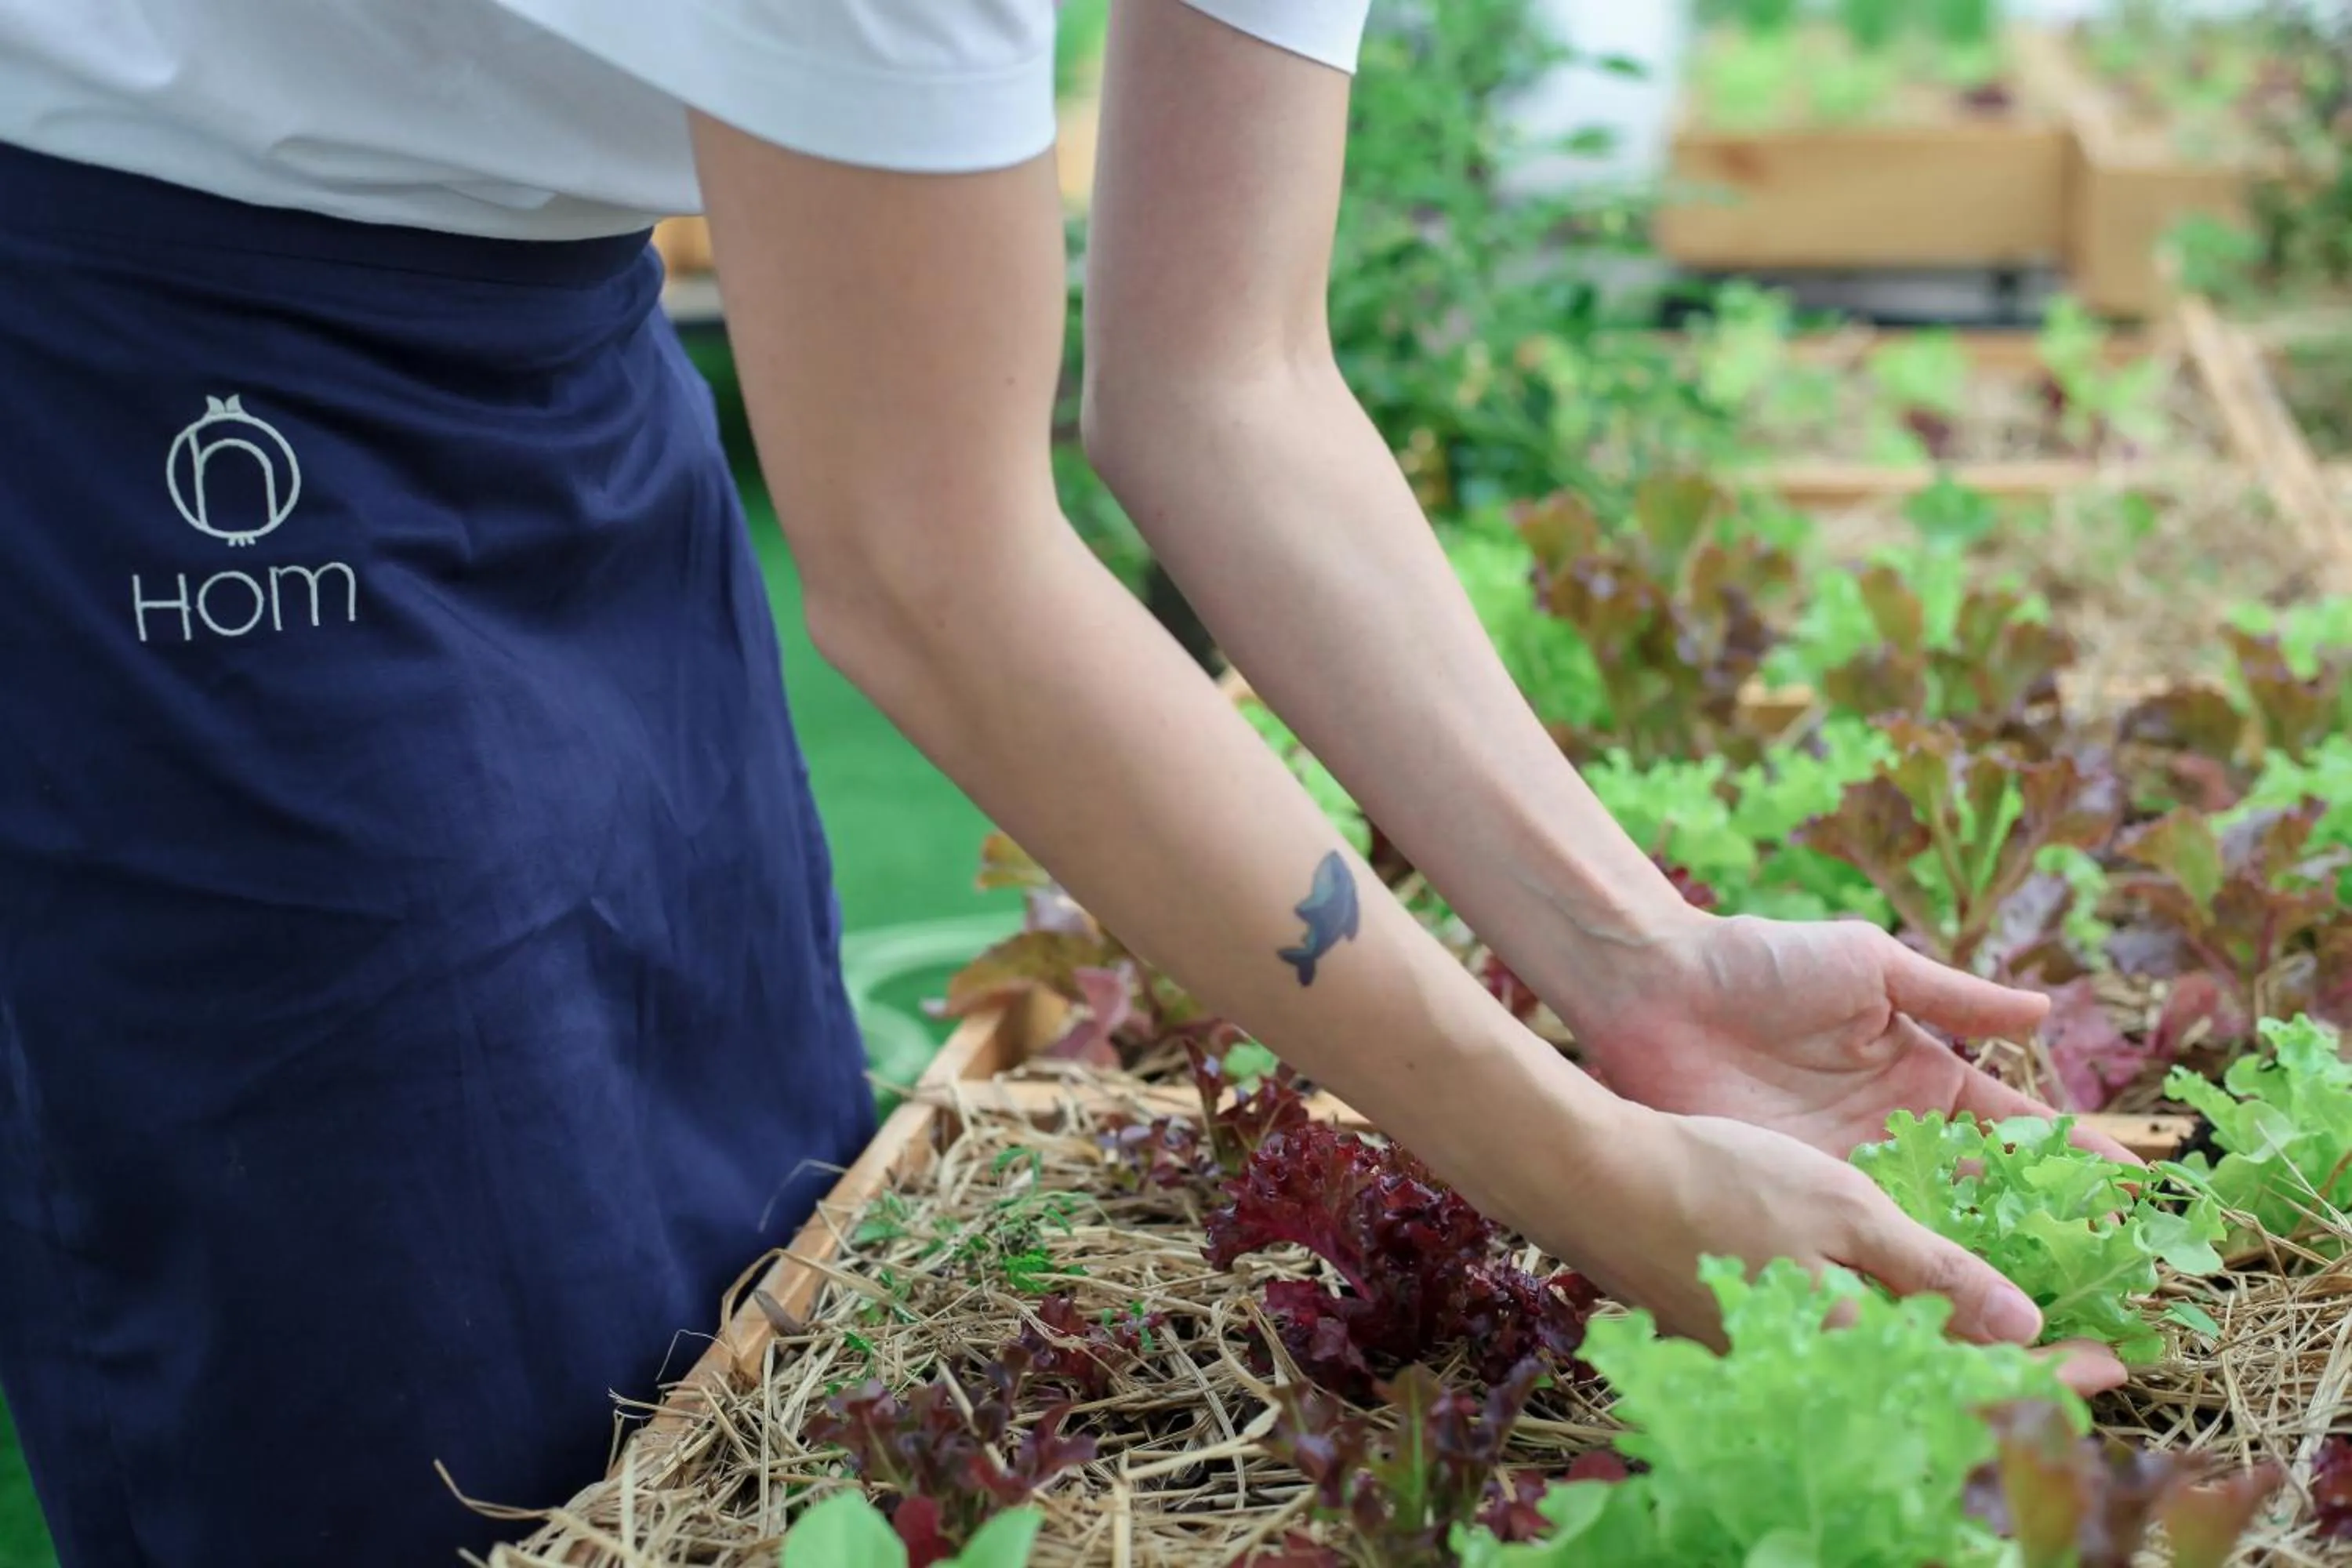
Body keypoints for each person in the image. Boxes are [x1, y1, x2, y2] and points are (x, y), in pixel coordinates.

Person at [0, 2, 2129, 1563]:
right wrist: (1592, 1174)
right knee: (417, 1407)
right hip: (141, 325)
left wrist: (1640, 964)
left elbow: (1225, 383)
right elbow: (939, 576)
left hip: (544, 306)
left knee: (723, 1268)